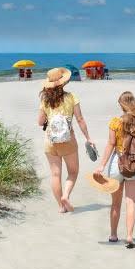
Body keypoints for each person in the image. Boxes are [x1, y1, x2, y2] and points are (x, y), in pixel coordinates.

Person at [94, 91, 135, 249]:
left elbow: (110, 144)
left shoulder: (115, 122)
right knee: (131, 202)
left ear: (121, 105)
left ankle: (113, 235)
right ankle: (130, 236)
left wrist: (102, 165)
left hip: (117, 165)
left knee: (115, 204)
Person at [38, 68, 95, 213]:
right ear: (63, 82)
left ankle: (61, 207)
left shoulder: (44, 100)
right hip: (68, 140)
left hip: (50, 141)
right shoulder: (71, 97)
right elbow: (80, 119)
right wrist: (88, 138)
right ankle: (66, 195)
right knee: (73, 172)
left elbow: (40, 122)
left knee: (55, 174)